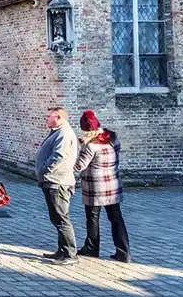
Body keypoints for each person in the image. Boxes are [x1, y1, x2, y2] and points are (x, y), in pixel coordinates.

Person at [75, 109, 131, 262]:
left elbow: (80, 165)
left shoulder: (90, 146)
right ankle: (123, 251)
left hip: (95, 187)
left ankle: (92, 247)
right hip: (112, 185)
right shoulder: (113, 140)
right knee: (116, 217)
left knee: (93, 217)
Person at [35, 106, 79, 265]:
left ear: (59, 117)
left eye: (49, 116)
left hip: (58, 182)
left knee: (61, 218)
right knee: (56, 217)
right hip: (52, 181)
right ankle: (62, 250)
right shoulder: (57, 132)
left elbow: (58, 156)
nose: (46, 119)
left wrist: (44, 169)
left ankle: (70, 254)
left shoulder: (64, 134)